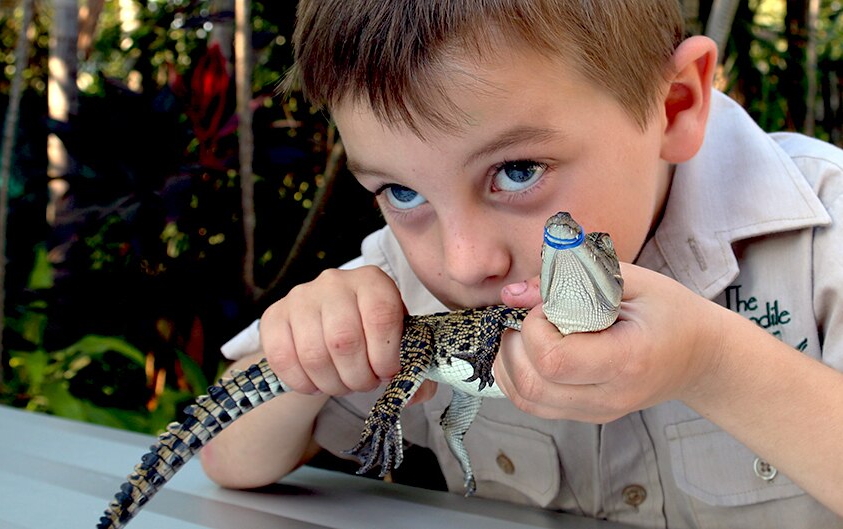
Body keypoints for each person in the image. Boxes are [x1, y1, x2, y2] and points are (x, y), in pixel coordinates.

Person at [199, 1, 843, 527]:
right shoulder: (407, 280)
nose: (464, 260)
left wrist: (714, 364)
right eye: (403, 193)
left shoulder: (823, 234)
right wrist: (313, 351)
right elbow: (228, 458)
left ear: (673, 104)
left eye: (517, 170)